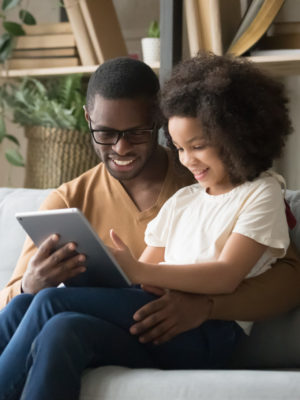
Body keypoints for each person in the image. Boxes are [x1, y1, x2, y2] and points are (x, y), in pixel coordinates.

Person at [0, 55, 299, 400]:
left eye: (136, 133)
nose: (121, 147)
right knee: (57, 325)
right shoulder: (184, 198)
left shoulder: (230, 186)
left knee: (52, 303)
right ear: (88, 121)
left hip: (201, 333)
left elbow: (270, 276)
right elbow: (141, 278)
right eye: (107, 133)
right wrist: (32, 283)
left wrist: (207, 305)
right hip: (145, 319)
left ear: (157, 122)